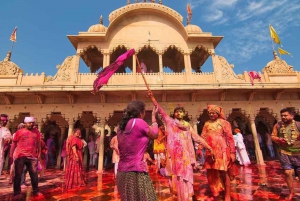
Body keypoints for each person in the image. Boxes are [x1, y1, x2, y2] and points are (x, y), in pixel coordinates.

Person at [148, 92, 213, 201]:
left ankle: (187, 197)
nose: (179, 113)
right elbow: (160, 110)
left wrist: (209, 147)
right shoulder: (169, 122)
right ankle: (178, 196)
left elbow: (197, 138)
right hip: (173, 157)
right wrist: (152, 97)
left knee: (186, 177)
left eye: (181, 111)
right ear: (174, 114)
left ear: (184, 113)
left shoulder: (188, 126)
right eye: (177, 112)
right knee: (175, 178)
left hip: (185, 157)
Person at [117, 100, 159, 201]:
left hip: (121, 173)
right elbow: (155, 134)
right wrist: (154, 119)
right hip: (136, 172)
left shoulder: (120, 127)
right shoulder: (138, 122)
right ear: (141, 112)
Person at [201, 105, 237, 201]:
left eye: (213, 113)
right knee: (212, 172)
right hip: (210, 152)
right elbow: (203, 137)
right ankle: (217, 190)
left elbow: (230, 138)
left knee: (224, 172)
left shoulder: (224, 123)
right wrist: (199, 149)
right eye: (210, 113)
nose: (211, 115)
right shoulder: (206, 124)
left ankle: (227, 195)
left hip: (222, 151)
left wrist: (233, 152)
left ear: (218, 113)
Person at [271, 107, 300, 201]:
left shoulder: (298, 125)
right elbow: (273, 136)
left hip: (298, 152)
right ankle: (291, 192)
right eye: (282, 115)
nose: (283, 117)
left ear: (292, 116)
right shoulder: (278, 125)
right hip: (285, 152)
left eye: (285, 115)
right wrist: (278, 139)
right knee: (287, 173)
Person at [10, 117, 43, 200]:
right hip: (20, 156)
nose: (31, 124)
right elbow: (14, 144)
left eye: (32, 122)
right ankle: (16, 193)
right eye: (29, 123)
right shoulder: (19, 132)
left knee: (34, 175)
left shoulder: (36, 132)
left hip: (32, 156)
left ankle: (36, 191)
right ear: (25, 123)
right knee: (18, 175)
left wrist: (39, 153)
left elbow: (38, 143)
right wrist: (11, 154)